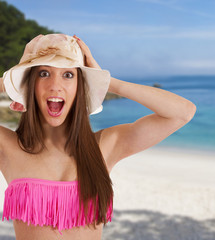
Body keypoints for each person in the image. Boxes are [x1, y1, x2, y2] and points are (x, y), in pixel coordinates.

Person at [0, 34, 196, 240]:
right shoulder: (9, 147)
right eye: (44, 73)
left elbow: (182, 112)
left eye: (68, 75)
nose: (55, 86)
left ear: (80, 86)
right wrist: (12, 81)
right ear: (31, 84)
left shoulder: (105, 146)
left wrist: (107, 81)